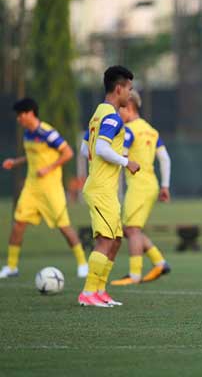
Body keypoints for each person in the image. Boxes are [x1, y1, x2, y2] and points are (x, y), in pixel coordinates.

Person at [0, 98, 88, 279]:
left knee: (64, 227)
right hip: (31, 189)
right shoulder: (27, 134)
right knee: (18, 225)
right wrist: (15, 162)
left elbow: (68, 153)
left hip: (50, 189)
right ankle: (11, 266)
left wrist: (49, 168)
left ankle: (82, 263)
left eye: (20, 115)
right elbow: (32, 157)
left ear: (30, 113)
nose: (18, 119)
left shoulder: (47, 133)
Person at [78, 65, 140, 307]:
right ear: (118, 89)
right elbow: (101, 148)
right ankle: (88, 293)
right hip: (101, 188)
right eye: (129, 90)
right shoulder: (112, 117)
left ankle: (100, 291)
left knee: (115, 240)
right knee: (105, 241)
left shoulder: (98, 114)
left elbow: (86, 149)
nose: (130, 95)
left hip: (104, 188)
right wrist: (126, 162)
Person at [111, 90, 172, 286]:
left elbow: (123, 156)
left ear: (129, 108)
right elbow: (164, 158)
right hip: (151, 183)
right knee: (131, 229)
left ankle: (134, 274)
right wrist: (165, 185)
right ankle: (160, 262)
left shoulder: (128, 130)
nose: (118, 114)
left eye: (120, 110)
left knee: (132, 229)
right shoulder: (151, 130)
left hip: (138, 185)